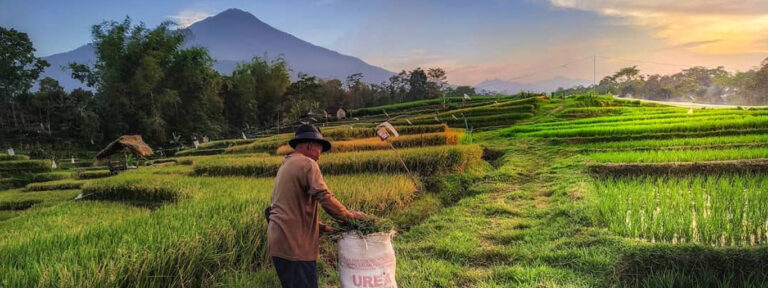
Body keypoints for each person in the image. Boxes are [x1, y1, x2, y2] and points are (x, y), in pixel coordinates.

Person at [266, 124, 366, 288]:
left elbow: (287, 207)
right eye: (320, 148)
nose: (320, 154)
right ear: (309, 145)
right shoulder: (308, 164)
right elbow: (324, 196)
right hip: (295, 247)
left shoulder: (286, 165)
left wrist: (322, 227)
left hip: (279, 244)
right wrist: (348, 217)